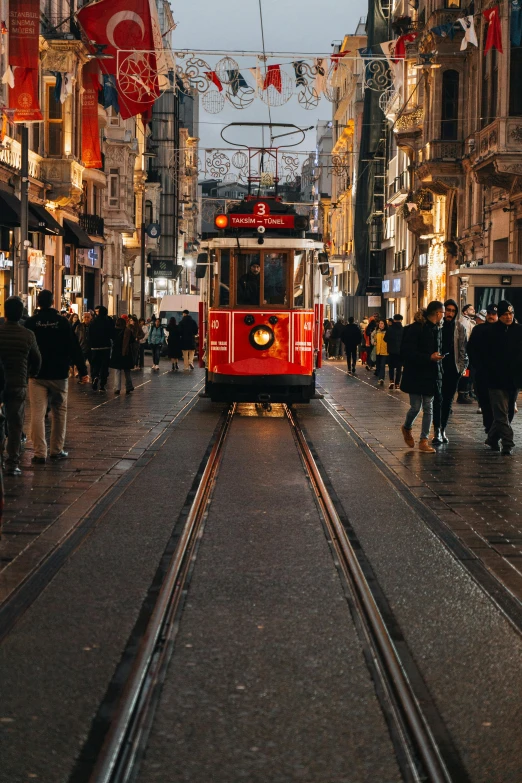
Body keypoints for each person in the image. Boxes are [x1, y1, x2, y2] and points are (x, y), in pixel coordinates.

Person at [25, 290, 88, 463]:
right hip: (59, 373)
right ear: (52, 302)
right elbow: (74, 347)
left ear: (38, 302)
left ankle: (39, 453)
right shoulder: (62, 322)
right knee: (59, 411)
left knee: (37, 413)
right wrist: (83, 371)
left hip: (36, 374)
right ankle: (56, 449)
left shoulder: (31, 323)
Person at [0, 297, 41, 476]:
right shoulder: (28, 334)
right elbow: (37, 359)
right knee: (15, 423)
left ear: (5, 312)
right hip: (18, 383)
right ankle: (12, 462)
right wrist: (31, 373)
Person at [400, 302, 444, 453]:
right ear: (438, 313)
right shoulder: (415, 328)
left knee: (428, 407)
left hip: (431, 373)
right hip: (415, 373)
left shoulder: (437, 329)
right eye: (442, 313)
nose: (443, 316)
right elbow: (407, 352)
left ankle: (423, 440)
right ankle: (406, 427)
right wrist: (428, 357)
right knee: (415, 407)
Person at [481, 300, 522, 455]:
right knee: (500, 413)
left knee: (508, 413)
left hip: (514, 379)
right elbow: (484, 355)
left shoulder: (519, 330)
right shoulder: (490, 332)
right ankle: (508, 442)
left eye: (510, 313)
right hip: (496, 379)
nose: (508, 317)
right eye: (505, 314)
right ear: (499, 315)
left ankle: (492, 438)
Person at [432, 299, 468, 445]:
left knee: (447, 401)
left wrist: (461, 368)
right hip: (437, 369)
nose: (450, 314)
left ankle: (442, 429)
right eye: (448, 310)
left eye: (453, 311)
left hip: (452, 370)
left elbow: (463, 350)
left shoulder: (459, 328)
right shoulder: (436, 326)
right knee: (437, 400)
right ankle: (436, 430)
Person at [467, 303, 498, 434]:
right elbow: (471, 348)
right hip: (483, 372)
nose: (491, 316)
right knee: (485, 402)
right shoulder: (478, 330)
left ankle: (496, 429)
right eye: (489, 314)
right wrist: (477, 365)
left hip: (499, 374)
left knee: (499, 404)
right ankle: (489, 428)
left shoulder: (503, 330)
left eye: (494, 314)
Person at [89, 305, 115, 392]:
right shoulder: (108, 321)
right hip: (105, 347)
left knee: (95, 364)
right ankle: (102, 385)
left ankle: (95, 377)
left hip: (95, 347)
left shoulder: (93, 321)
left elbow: (89, 334)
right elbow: (112, 333)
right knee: (104, 366)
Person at [109, 318, 135, 395]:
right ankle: (129, 387)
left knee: (117, 371)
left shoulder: (114, 331)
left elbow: (111, 340)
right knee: (127, 371)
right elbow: (132, 340)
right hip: (126, 353)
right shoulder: (128, 331)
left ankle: (117, 388)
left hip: (116, 353)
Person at [384, 313, 403, 390]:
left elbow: (385, 339)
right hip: (400, 352)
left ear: (394, 320)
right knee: (399, 368)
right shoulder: (403, 329)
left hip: (391, 351)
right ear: (401, 320)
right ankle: (397, 384)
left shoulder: (390, 329)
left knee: (391, 367)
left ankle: (391, 381)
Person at [75, 311, 92, 380]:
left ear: (91, 318)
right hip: (82, 347)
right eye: (85, 317)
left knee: (93, 364)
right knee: (81, 364)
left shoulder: (92, 326)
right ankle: (81, 377)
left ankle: (93, 377)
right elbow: (76, 336)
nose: (86, 319)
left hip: (91, 348)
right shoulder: (79, 326)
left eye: (88, 317)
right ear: (82, 318)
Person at [371, 319, 388, 384]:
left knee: (382, 365)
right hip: (377, 351)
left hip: (384, 351)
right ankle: (380, 377)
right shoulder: (376, 331)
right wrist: (373, 342)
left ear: (384, 325)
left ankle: (381, 379)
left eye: (382, 323)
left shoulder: (387, 332)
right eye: (380, 323)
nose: (380, 325)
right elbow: (372, 336)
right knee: (378, 365)